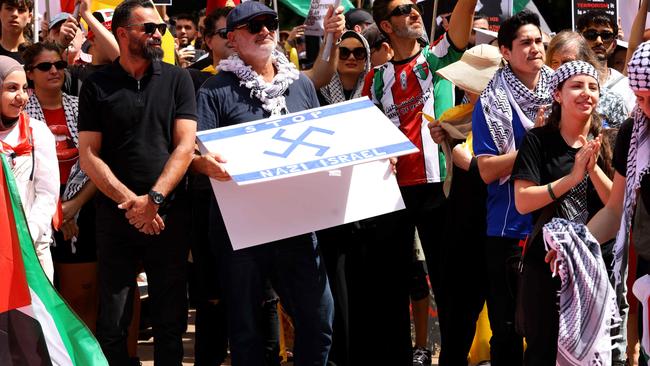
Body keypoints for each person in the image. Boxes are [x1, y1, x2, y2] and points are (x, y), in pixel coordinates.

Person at [193, 2, 335, 365]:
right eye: (252, 26)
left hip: (298, 225)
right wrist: (202, 163)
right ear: (233, 40)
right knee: (246, 331)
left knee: (319, 322)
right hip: (242, 230)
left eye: (269, 23)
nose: (265, 30)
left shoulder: (300, 84)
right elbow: (195, 152)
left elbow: (330, 141)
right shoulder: (214, 89)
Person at [77, 0, 197, 364]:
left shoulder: (178, 79)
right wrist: (133, 203)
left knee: (170, 319)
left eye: (160, 28)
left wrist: (154, 200)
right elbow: (89, 155)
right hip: (116, 219)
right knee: (113, 320)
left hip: (168, 217)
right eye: (149, 28)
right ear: (123, 32)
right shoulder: (97, 84)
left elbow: (185, 146)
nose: (158, 34)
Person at [361, 0, 476, 363]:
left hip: (438, 185)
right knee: (393, 284)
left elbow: (462, 19)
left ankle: (453, 357)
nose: (414, 12)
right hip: (392, 192)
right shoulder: (374, 79)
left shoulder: (437, 58)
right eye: (403, 9)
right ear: (386, 26)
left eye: (416, 6)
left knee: (448, 282)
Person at [512, 60, 612, 365]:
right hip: (546, 266)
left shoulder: (608, 141)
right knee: (543, 350)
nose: (586, 93)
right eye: (577, 86)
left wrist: (592, 169)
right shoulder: (538, 140)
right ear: (558, 95)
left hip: (594, 266)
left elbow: (616, 206)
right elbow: (523, 201)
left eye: (592, 87)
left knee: (592, 350)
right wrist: (571, 178)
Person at [467, 10, 552, 365]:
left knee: (548, 329)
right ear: (505, 50)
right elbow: (486, 171)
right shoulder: (490, 103)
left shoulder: (562, 90)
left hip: (555, 227)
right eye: (525, 43)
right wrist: (534, 140)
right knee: (507, 330)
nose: (535, 49)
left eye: (538, 41)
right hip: (507, 230)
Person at [433, 43, 503, 365]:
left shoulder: (512, 119)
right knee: (457, 323)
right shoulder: (456, 118)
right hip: (462, 231)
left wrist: (471, 164)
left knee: (506, 326)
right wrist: (446, 138)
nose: (464, 89)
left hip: (498, 229)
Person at [22, 41, 99, 332]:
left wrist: (73, 206)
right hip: (35, 211)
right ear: (30, 74)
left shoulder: (82, 107)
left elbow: (98, 163)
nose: (54, 71)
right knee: (42, 298)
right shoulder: (19, 112)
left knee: (82, 296)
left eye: (59, 65)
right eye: (45, 66)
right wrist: (57, 211)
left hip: (82, 207)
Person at [587, 41, 650, 366]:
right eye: (640, 99)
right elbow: (615, 208)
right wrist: (578, 244)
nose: (647, 109)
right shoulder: (632, 130)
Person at [0, 55, 58, 281]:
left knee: (34, 317)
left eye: (25, 88)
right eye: (11, 88)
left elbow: (47, 194)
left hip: (31, 251)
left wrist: (24, 238)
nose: (21, 96)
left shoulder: (37, 132)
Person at [545, 30, 629, 128]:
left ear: (584, 61)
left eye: (567, 62)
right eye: (554, 62)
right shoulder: (543, 101)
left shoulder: (612, 102)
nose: (560, 68)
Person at [577, 10, 636, 114]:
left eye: (606, 35)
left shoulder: (626, 85)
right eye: (591, 35)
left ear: (613, 45)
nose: (599, 41)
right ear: (580, 41)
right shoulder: (569, 82)